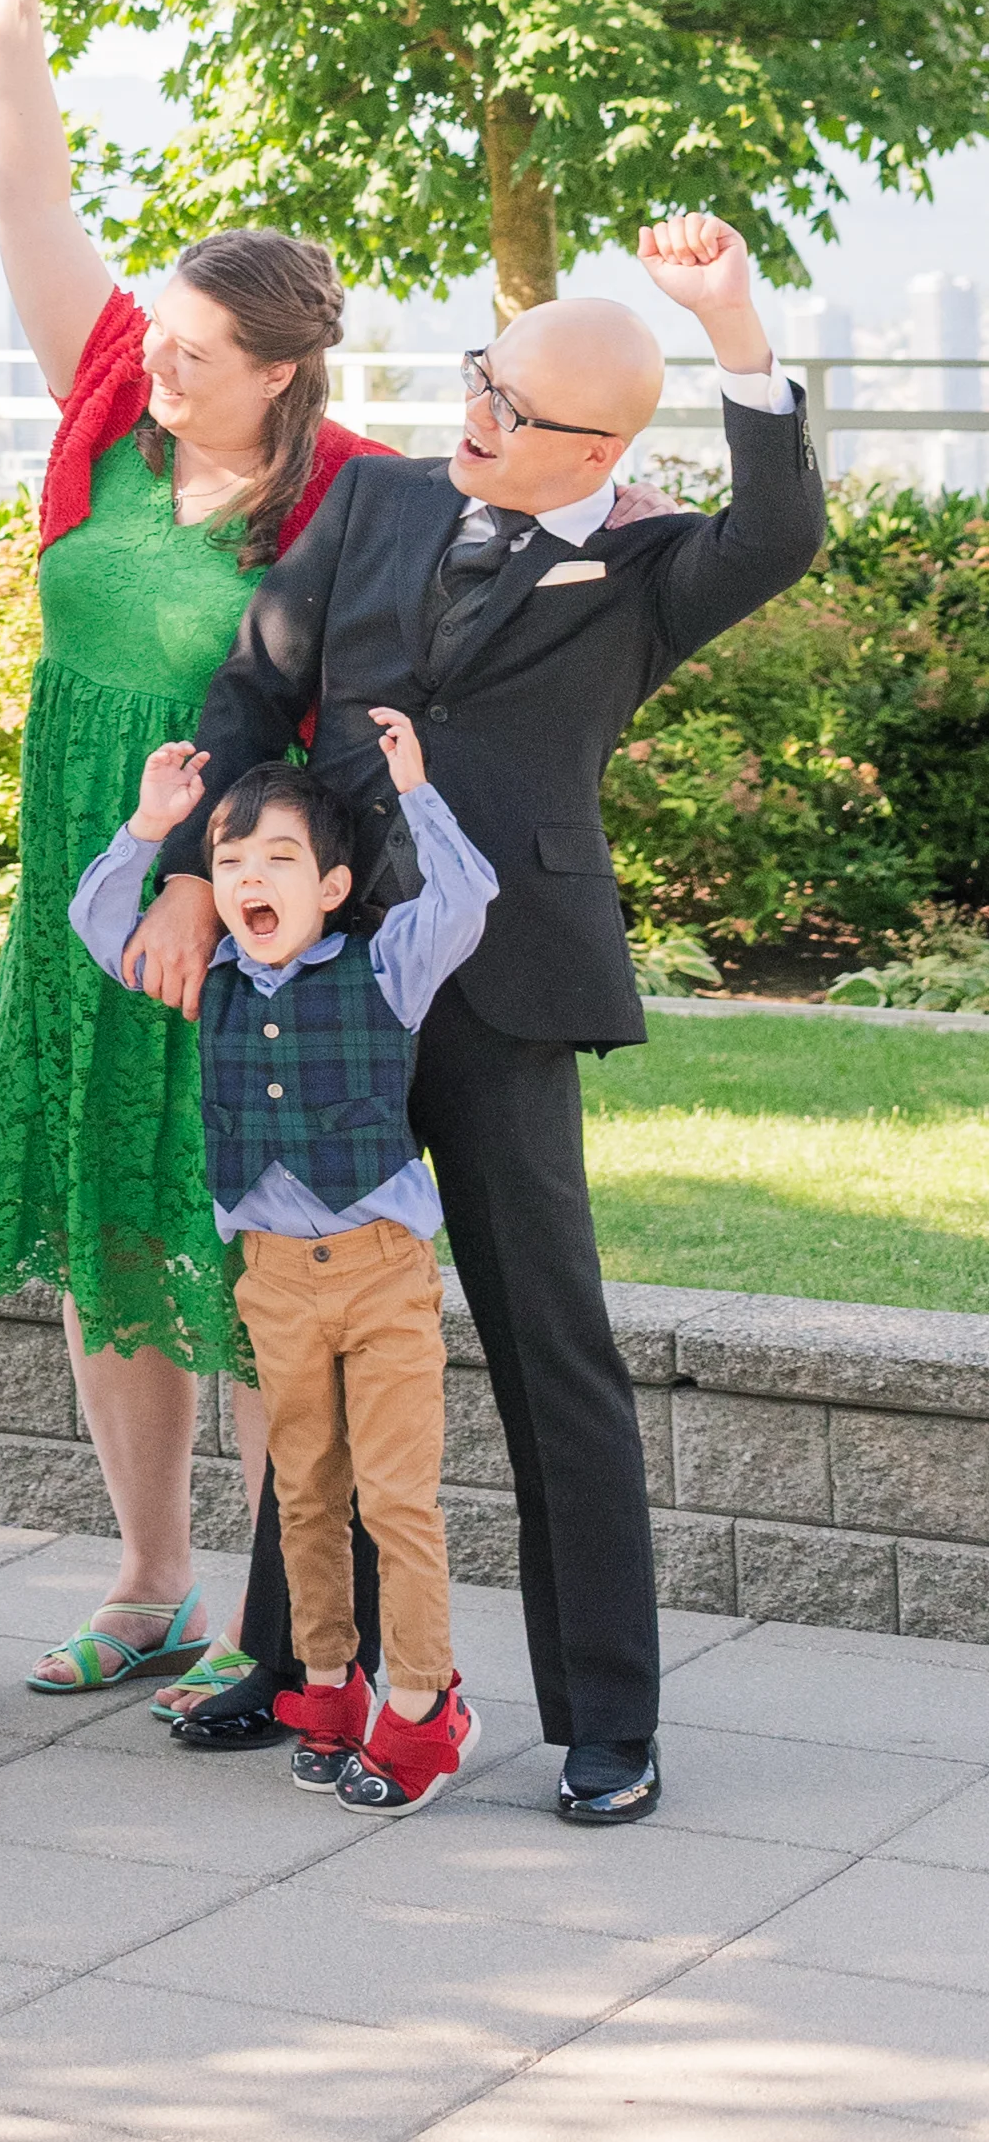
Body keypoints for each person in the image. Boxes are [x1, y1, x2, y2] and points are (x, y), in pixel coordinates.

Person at [159, 209, 827, 1826]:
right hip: (326, 994)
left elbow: (785, 526)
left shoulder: (654, 567)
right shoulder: (378, 499)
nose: (475, 413)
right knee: (308, 1329)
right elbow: (256, 682)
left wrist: (732, 320)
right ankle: (295, 1660)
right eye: (479, 376)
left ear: (595, 446)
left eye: (512, 409)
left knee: (551, 1354)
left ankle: (609, 1718)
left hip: (508, 996)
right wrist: (214, 869)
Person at [0, 0, 381, 1703]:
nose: (161, 358)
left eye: (200, 347)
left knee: (242, 1238)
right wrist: (12, 6)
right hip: (88, 873)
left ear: (280, 370)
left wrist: (234, 897)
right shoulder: (107, 417)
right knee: (106, 1227)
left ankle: (299, 1621)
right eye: (166, 337)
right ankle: (148, 1582)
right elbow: (28, 199)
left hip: (234, 915)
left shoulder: (343, 494)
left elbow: (343, 746)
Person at [79, 709, 496, 1814]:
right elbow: (94, 924)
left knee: (398, 1501)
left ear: (331, 885)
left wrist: (416, 790)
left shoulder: (388, 968)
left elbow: (464, 899)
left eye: (279, 861)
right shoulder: (201, 975)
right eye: (228, 863)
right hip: (271, 1279)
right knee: (303, 1496)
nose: (249, 880)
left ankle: (423, 1705)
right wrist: (146, 829)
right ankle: (326, 1683)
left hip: (382, 1271)